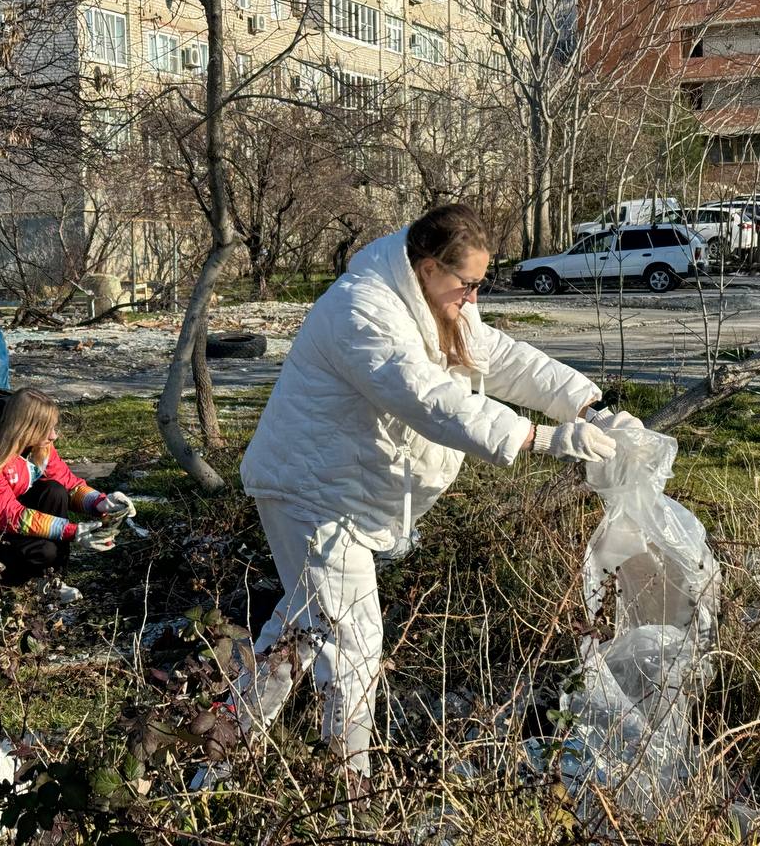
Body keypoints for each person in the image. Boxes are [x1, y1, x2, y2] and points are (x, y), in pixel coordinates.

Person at [222, 203, 639, 783]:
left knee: (301, 631)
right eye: (466, 283)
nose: (472, 298)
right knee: (353, 640)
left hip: (346, 495)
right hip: (311, 495)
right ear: (425, 265)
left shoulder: (440, 305)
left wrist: (588, 404)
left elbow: (506, 360)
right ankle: (348, 788)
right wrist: (539, 436)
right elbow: (426, 398)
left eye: (478, 285)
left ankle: (218, 751)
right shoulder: (361, 310)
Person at [0, 388, 136, 611]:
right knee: (43, 551)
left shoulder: (37, 442)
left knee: (54, 491)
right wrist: (72, 531)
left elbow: (67, 483)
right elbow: (9, 516)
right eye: (46, 429)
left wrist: (100, 502)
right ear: (23, 428)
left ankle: (49, 581)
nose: (53, 435)